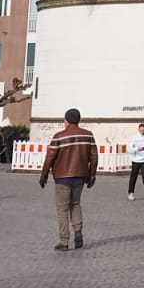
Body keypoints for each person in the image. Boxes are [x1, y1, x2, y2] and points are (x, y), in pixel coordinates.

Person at [38, 107, 99, 250]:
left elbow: (50, 158)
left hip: (62, 177)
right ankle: (78, 232)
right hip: (80, 176)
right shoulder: (88, 135)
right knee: (76, 204)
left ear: (66, 121)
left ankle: (64, 241)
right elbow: (94, 157)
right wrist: (92, 174)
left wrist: (44, 175)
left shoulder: (59, 137)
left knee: (62, 209)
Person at [125, 122, 144, 198]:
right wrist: (137, 149)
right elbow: (129, 149)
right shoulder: (133, 138)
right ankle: (131, 192)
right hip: (136, 161)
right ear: (138, 129)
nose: (142, 131)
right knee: (133, 177)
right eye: (141, 130)